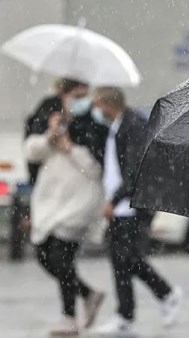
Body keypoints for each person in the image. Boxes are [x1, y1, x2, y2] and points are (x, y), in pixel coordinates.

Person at [92, 87, 183, 335]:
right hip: (122, 207)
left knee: (129, 259)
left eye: (96, 104)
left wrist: (114, 199)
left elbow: (134, 171)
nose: (94, 110)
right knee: (120, 260)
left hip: (131, 206)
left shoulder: (133, 125)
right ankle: (126, 316)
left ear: (107, 104)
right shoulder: (117, 126)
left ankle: (166, 294)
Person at [24, 86, 107, 336]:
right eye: (76, 97)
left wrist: (69, 147)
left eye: (84, 96)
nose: (79, 102)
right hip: (50, 203)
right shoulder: (50, 120)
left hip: (78, 204)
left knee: (61, 257)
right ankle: (88, 294)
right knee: (43, 254)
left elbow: (96, 168)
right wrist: (51, 135)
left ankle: (68, 316)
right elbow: (31, 152)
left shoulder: (93, 127)